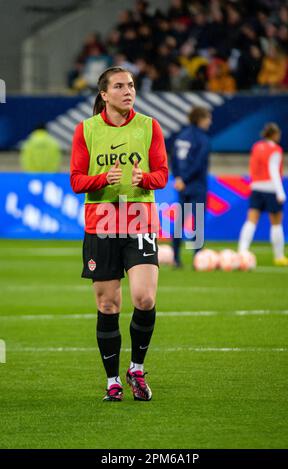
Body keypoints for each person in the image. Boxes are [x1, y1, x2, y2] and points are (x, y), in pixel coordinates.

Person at [70, 66, 168, 401]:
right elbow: (76, 181)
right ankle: (112, 380)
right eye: (119, 86)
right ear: (104, 94)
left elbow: (163, 173)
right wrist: (101, 180)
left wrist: (146, 179)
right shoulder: (86, 130)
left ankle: (136, 369)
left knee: (145, 298)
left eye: (131, 85)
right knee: (108, 305)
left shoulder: (150, 126)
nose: (128, 91)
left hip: (139, 217)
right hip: (101, 222)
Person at [238, 122, 288, 266]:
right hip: (271, 189)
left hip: (256, 187)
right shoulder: (275, 149)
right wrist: (280, 192)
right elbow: (273, 171)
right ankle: (279, 257)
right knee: (276, 223)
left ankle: (242, 252)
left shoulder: (256, 147)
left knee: (251, 221)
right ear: (274, 135)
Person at [171, 106, 212, 267]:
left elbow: (173, 159)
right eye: (208, 117)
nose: (210, 121)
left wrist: (179, 178)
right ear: (200, 119)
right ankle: (198, 259)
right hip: (197, 185)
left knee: (179, 222)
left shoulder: (181, 136)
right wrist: (186, 179)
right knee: (198, 222)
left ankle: (175, 258)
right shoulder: (203, 139)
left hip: (182, 185)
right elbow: (199, 163)